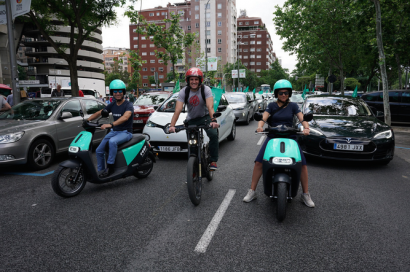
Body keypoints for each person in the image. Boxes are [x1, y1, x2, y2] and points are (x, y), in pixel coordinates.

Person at [243, 79, 315, 208]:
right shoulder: (271, 105)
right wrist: (260, 126)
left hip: (291, 137)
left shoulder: (293, 106)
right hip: (273, 137)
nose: (283, 95)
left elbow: (302, 118)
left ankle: (305, 194)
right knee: (259, 162)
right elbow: (263, 118)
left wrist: (306, 128)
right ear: (276, 93)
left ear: (289, 93)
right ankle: (252, 191)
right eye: (281, 93)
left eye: (286, 92)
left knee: (302, 164)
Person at [169, 67, 220, 170]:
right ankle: (193, 167)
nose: (194, 82)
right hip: (192, 119)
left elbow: (210, 107)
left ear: (200, 80)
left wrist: (213, 121)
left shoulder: (206, 89)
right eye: (191, 79)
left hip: (205, 118)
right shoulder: (184, 91)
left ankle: (213, 160)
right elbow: (178, 110)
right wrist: (172, 125)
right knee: (192, 144)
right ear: (188, 80)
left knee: (214, 135)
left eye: (196, 79)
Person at [86, 79, 134, 178]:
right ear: (112, 93)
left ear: (123, 92)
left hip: (126, 132)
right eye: (115, 91)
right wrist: (88, 120)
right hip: (115, 131)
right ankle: (101, 171)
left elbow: (125, 117)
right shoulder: (113, 104)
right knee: (99, 150)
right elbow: (100, 112)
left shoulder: (128, 105)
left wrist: (111, 125)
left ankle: (110, 168)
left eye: (120, 91)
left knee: (112, 142)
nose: (117, 93)